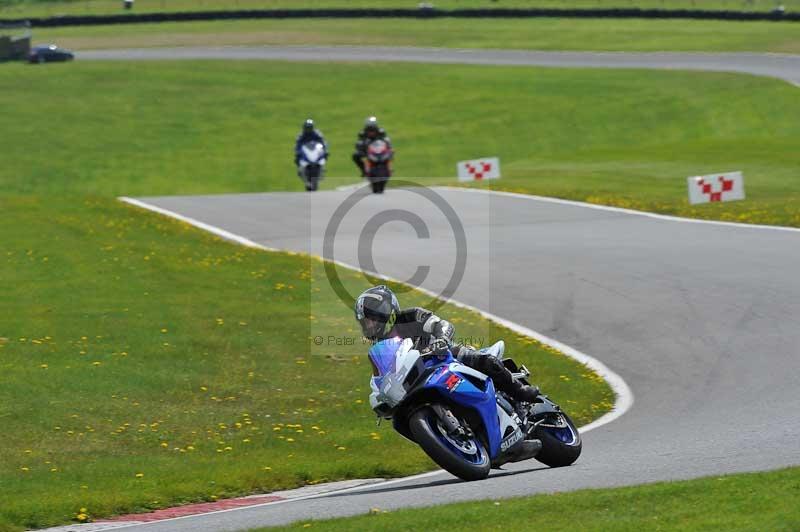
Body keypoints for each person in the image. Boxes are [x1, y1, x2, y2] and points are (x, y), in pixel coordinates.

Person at [354, 285, 540, 403]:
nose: (368, 325)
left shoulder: (411, 317)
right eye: (365, 321)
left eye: (371, 319)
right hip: (418, 380)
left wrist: (441, 340)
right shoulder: (379, 350)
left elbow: (441, 324)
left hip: (444, 357)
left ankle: (519, 391)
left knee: (483, 360)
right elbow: (380, 378)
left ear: (384, 312)